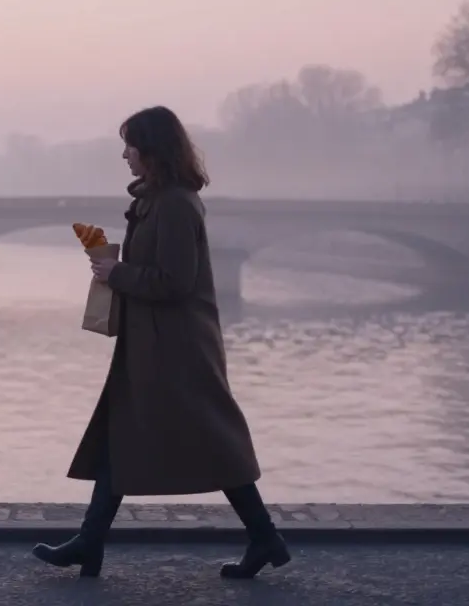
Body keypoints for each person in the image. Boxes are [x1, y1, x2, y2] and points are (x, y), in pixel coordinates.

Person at [32, 106, 290, 579]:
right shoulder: (157, 200)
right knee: (124, 436)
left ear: (153, 150)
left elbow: (176, 280)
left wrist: (118, 272)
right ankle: (92, 543)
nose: (125, 155)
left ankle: (264, 536)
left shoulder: (174, 204)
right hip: (153, 343)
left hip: (177, 349)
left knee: (212, 440)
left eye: (131, 145)